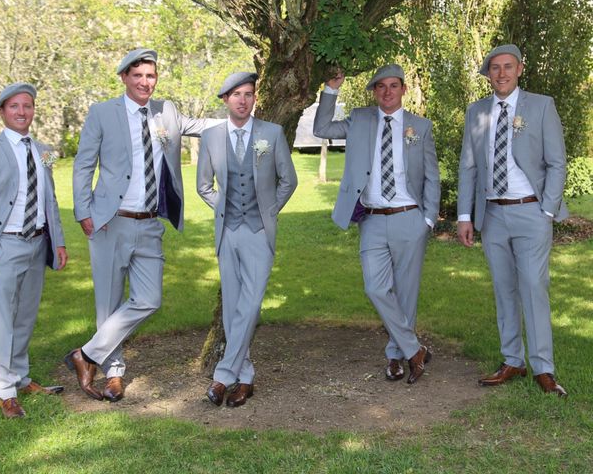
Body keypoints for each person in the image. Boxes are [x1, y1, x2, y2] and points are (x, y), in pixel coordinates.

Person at [68, 48, 216, 402]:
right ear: (124, 78)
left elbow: (197, 126)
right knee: (108, 302)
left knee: (149, 298)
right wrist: (83, 211)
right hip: (110, 222)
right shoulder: (103, 113)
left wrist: (242, 114)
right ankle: (113, 372)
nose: (145, 82)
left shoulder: (166, 111)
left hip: (150, 224)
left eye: (150, 76)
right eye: (138, 76)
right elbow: (83, 164)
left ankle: (86, 354)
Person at [313, 64, 440, 384]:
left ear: (403, 90)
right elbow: (322, 128)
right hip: (371, 219)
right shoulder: (360, 119)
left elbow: (431, 177)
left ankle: (396, 358)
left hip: (409, 218)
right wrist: (331, 89)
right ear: (374, 91)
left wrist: (427, 219)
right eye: (380, 86)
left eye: (393, 86)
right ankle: (415, 350)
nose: (387, 92)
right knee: (375, 287)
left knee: (406, 294)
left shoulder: (419, 127)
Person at [457, 44, 568, 396]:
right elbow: (468, 167)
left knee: (533, 287)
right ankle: (513, 361)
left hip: (531, 210)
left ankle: (543, 369)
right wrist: (465, 216)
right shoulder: (477, 112)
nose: (501, 73)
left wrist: (547, 209)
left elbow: (557, 163)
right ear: (488, 73)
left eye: (508, 67)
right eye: (494, 68)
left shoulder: (541, 105)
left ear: (520, 69)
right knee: (504, 289)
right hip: (492, 214)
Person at [0, 82, 68, 418]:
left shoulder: (44, 150)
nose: (23, 112)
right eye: (14, 107)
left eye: (28, 106)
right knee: (2, 320)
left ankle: (20, 377)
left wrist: (59, 240)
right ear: (2, 112)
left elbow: (50, 199)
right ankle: (4, 391)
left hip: (38, 242)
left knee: (25, 315)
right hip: (5, 244)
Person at [198, 72, 297, 407]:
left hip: (258, 231)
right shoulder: (210, 136)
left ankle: (223, 375)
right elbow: (203, 186)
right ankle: (245, 377)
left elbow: (289, 180)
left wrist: (268, 211)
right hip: (228, 231)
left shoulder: (271, 133)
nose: (243, 100)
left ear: (255, 98)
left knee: (251, 304)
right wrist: (223, 208)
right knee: (233, 305)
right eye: (237, 94)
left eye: (249, 94)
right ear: (226, 99)